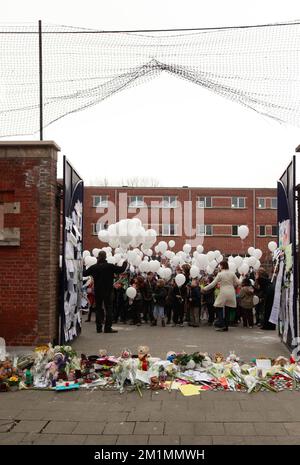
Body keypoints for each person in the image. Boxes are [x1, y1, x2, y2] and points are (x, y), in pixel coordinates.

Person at [83, 251, 128, 333]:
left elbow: (84, 273)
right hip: (108, 290)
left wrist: (82, 265)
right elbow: (121, 270)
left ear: (98, 257)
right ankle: (107, 328)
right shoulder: (109, 266)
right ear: (105, 256)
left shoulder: (94, 267)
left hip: (98, 290)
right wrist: (125, 263)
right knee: (109, 309)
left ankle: (99, 328)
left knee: (98, 309)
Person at [202, 260, 240, 332]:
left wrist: (204, 288)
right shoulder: (232, 273)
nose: (219, 267)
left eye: (220, 265)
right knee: (228, 309)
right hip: (231, 292)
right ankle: (226, 326)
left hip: (224, 292)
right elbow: (238, 282)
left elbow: (213, 284)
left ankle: (221, 323)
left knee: (217, 306)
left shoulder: (220, 274)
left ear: (222, 266)